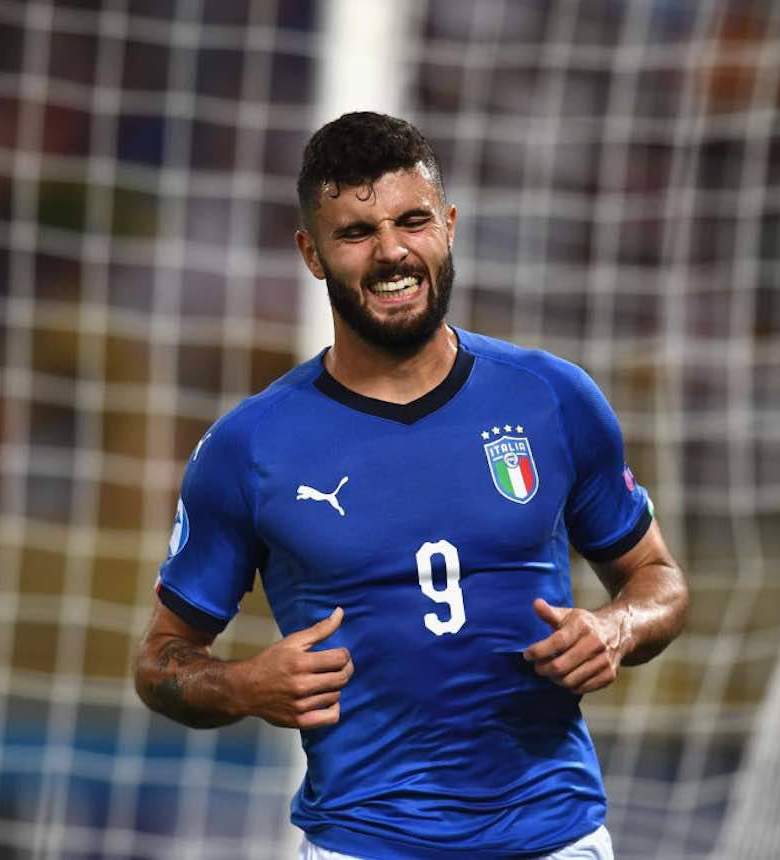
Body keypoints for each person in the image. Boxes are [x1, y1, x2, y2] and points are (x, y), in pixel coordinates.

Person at [133, 112, 689, 860]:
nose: (392, 251)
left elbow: (658, 579)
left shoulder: (552, 398)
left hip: (555, 838)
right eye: (356, 232)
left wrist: (616, 628)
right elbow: (160, 659)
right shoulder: (249, 447)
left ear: (449, 227)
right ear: (311, 253)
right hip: (363, 844)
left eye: (413, 221)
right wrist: (242, 687)